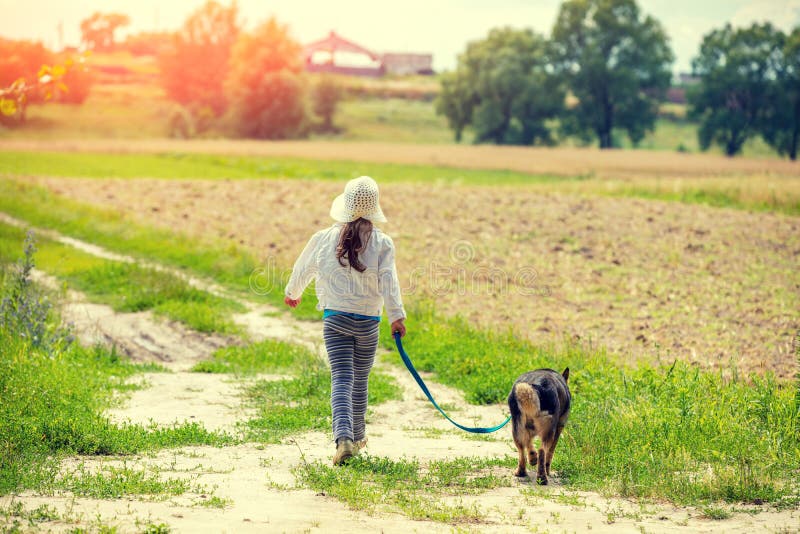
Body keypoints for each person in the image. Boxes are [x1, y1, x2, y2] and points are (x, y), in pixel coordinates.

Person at [284, 176, 406, 465]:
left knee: (341, 378)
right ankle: (359, 436)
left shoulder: (323, 238)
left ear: (345, 206)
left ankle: (344, 439)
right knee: (360, 380)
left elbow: (303, 267)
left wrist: (293, 292)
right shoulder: (382, 243)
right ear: (374, 207)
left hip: (335, 319)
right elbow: (390, 282)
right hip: (368, 323)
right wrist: (396, 316)